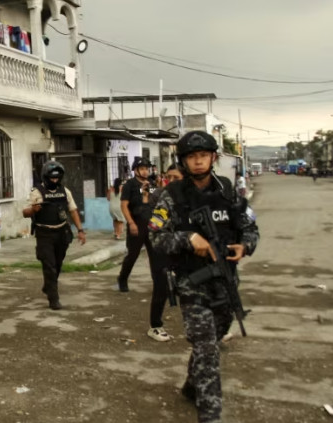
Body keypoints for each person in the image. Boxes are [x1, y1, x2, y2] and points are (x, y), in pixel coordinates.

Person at [149, 131, 259, 423]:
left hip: (225, 282)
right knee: (207, 348)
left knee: (215, 337)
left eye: (203, 156)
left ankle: (191, 385)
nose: (198, 162)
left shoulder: (227, 191)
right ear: (183, 161)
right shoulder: (171, 196)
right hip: (191, 284)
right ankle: (210, 413)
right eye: (192, 157)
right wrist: (187, 239)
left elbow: (249, 225)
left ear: (213, 158)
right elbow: (156, 237)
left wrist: (245, 245)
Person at [22, 161, 86, 310]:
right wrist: (33, 210)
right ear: (46, 177)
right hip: (44, 233)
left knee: (57, 264)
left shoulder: (65, 191)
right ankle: (53, 299)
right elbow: (25, 212)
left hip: (62, 232)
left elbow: (73, 211)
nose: (55, 180)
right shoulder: (37, 192)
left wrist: (80, 230)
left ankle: (48, 286)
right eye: (52, 178)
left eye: (57, 178)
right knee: (49, 265)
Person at [145, 164, 185, 342]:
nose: (172, 181)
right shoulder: (161, 195)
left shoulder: (192, 196)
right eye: (169, 177)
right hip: (161, 246)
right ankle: (155, 326)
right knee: (161, 286)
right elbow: (155, 224)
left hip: (184, 248)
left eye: (176, 177)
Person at [116, 156, 166, 294]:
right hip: (136, 223)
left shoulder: (151, 184)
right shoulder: (130, 185)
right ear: (135, 170)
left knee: (155, 256)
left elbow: (157, 200)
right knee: (132, 255)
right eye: (142, 169)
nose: (145, 171)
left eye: (146, 169)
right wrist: (131, 223)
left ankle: (158, 283)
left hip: (151, 224)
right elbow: (124, 205)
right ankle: (122, 279)